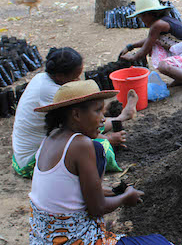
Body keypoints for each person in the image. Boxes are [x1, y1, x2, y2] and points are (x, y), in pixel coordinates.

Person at [28, 80, 176, 245]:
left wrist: (113, 191)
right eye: (97, 111)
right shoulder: (81, 145)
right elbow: (97, 208)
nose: (102, 118)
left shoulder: (51, 137)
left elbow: (72, 191)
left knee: (99, 147)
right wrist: (125, 198)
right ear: (76, 114)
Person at [11, 47, 137, 178]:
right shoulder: (51, 92)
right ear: (60, 76)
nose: (78, 81)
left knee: (94, 120)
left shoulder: (42, 78)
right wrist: (109, 139)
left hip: (35, 146)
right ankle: (120, 120)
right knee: (100, 149)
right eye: (75, 77)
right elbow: (78, 125)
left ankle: (122, 116)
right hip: (33, 161)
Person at [119, 0, 182, 103]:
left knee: (164, 66)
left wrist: (131, 58)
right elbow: (150, 40)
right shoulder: (162, 23)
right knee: (157, 46)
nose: (141, 20)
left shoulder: (158, 25)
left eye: (141, 17)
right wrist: (130, 46)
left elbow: (143, 52)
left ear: (148, 14)